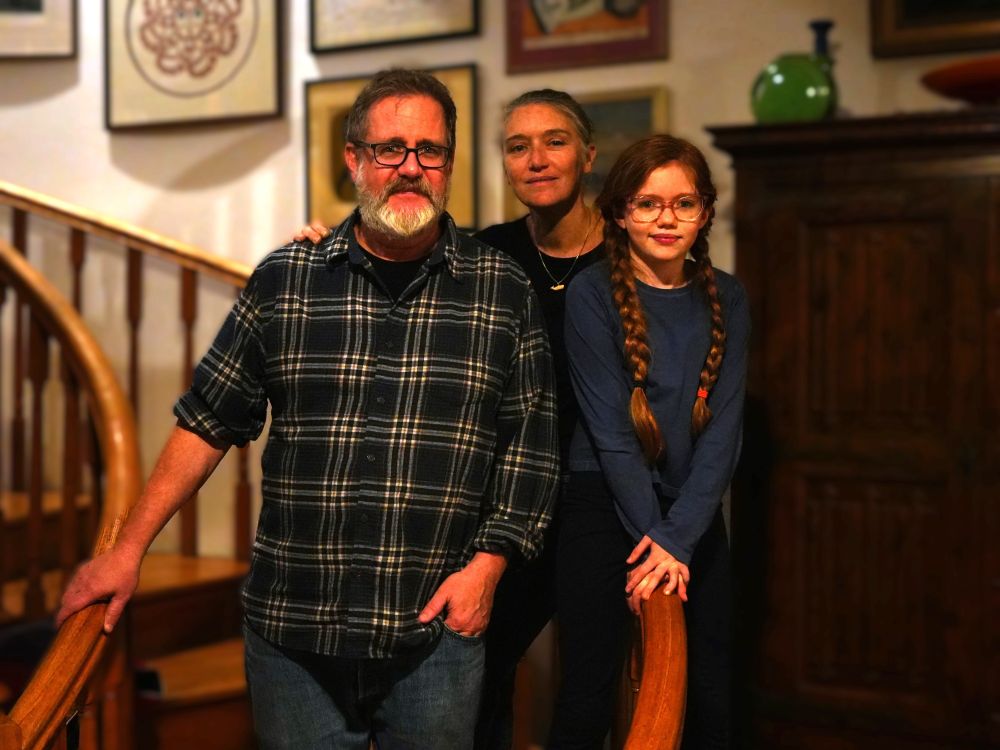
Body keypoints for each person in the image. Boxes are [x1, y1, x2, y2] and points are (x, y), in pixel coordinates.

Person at [56, 68, 560, 750]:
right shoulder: (286, 280)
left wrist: (489, 569)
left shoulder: (502, 292)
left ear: (449, 163)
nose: (410, 168)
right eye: (390, 149)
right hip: (294, 637)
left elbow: (530, 450)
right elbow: (208, 419)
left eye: (429, 151)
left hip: (436, 633)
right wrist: (128, 549)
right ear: (354, 159)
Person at [296, 88, 605, 749]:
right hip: (504, 501)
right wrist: (325, 249)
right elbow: (397, 247)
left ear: (588, 154)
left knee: (591, 683)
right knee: (481, 672)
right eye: (517, 146)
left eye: (553, 141)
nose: (536, 159)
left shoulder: (627, 255)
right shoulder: (485, 253)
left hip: (595, 495)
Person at [559, 134, 748, 749]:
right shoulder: (591, 293)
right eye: (646, 203)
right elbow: (613, 436)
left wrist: (679, 537)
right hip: (604, 504)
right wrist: (655, 541)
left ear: (706, 212)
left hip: (692, 513)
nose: (666, 219)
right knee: (588, 692)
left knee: (712, 693)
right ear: (619, 213)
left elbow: (723, 432)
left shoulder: (730, 295)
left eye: (684, 203)